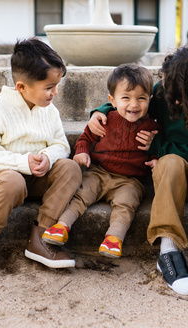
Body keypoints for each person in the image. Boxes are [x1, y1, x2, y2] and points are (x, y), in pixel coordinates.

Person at [88, 41, 188, 301]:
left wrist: (158, 144)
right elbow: (131, 104)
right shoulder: (164, 91)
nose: (169, 91)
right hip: (171, 172)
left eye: (176, 91)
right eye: (167, 84)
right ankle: (168, 248)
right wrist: (100, 112)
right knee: (169, 162)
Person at [0, 37, 82, 276]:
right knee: (13, 182)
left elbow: (61, 144)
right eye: (49, 87)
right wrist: (22, 162)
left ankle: (42, 237)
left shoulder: (50, 111)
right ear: (22, 87)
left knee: (71, 168)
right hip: (7, 176)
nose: (55, 93)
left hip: (40, 176)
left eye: (57, 85)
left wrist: (48, 157)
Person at [41, 63, 160, 258]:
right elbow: (85, 138)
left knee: (126, 203)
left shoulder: (152, 127)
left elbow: (157, 148)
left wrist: (156, 159)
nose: (134, 104)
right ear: (112, 100)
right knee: (81, 194)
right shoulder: (105, 120)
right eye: (126, 98)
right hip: (99, 171)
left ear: (150, 100)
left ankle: (114, 238)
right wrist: (81, 152)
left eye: (141, 98)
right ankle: (61, 226)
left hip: (130, 180)